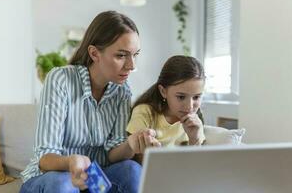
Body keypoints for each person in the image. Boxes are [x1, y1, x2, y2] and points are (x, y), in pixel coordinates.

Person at [20, 11, 143, 193]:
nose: (132, 66)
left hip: (93, 179)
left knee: (131, 170)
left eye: (135, 55)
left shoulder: (122, 91)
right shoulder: (61, 80)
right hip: (50, 178)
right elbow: (44, 158)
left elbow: (113, 153)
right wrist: (70, 161)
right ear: (94, 53)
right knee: (63, 184)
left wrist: (131, 144)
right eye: (121, 55)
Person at [126, 55, 206, 163]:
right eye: (181, 97)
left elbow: (196, 166)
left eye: (196, 97)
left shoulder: (196, 123)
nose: (190, 106)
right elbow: (138, 162)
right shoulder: (145, 112)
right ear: (163, 91)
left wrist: (194, 139)